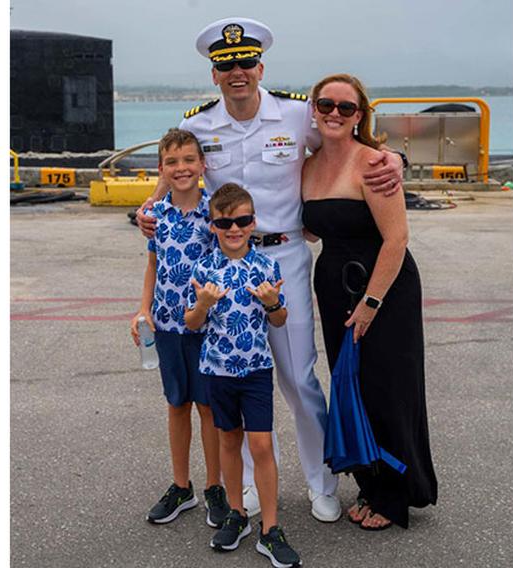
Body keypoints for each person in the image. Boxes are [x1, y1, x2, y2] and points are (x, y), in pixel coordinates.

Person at [137, 16, 406, 523]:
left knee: (298, 378)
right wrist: (148, 211)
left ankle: (321, 482)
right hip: (222, 260)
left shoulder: (296, 114)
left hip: (282, 258)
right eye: (226, 65)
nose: (237, 72)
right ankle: (251, 486)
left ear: (260, 67)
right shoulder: (198, 125)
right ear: (214, 75)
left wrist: (391, 156)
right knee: (230, 372)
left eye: (245, 63)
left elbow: (345, 136)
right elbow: (176, 173)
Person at [300, 74, 438, 530]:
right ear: (314, 110)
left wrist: (372, 302)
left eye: (346, 108)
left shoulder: (375, 164)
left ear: (360, 115)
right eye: (326, 105)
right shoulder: (308, 165)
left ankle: (396, 495)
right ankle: (370, 485)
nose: (334, 114)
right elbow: (314, 229)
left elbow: (397, 238)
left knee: (387, 389)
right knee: (351, 388)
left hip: (383, 287)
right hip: (335, 286)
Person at [184, 184, 301, 568]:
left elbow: (280, 320)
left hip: (255, 369)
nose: (235, 229)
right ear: (213, 224)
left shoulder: (266, 267)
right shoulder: (203, 270)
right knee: (228, 441)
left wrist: (271, 304)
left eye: (243, 220)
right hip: (217, 370)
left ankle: (270, 528)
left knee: (262, 445)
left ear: (253, 222)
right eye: (225, 222)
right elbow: (192, 322)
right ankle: (236, 512)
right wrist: (201, 304)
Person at [129, 129, 229, 528]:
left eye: (189, 160)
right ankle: (180, 485)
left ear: (202, 165)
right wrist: (142, 309)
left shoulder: (214, 214)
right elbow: (152, 266)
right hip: (167, 324)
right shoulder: (156, 216)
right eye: (172, 162)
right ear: (161, 169)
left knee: (207, 407)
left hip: (205, 326)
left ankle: (214, 486)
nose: (181, 168)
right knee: (176, 404)